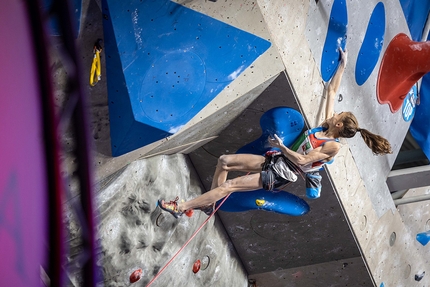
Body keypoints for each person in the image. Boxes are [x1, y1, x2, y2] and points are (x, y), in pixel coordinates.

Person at [158, 48, 392, 218]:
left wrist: (281, 147)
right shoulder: (323, 127)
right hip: (276, 159)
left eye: (337, 116)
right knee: (224, 161)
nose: (334, 114)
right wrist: (343, 64)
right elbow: (331, 91)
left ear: (339, 126)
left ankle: (182, 207)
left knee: (230, 186)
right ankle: (210, 203)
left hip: (281, 172)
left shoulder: (333, 146)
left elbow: (302, 159)